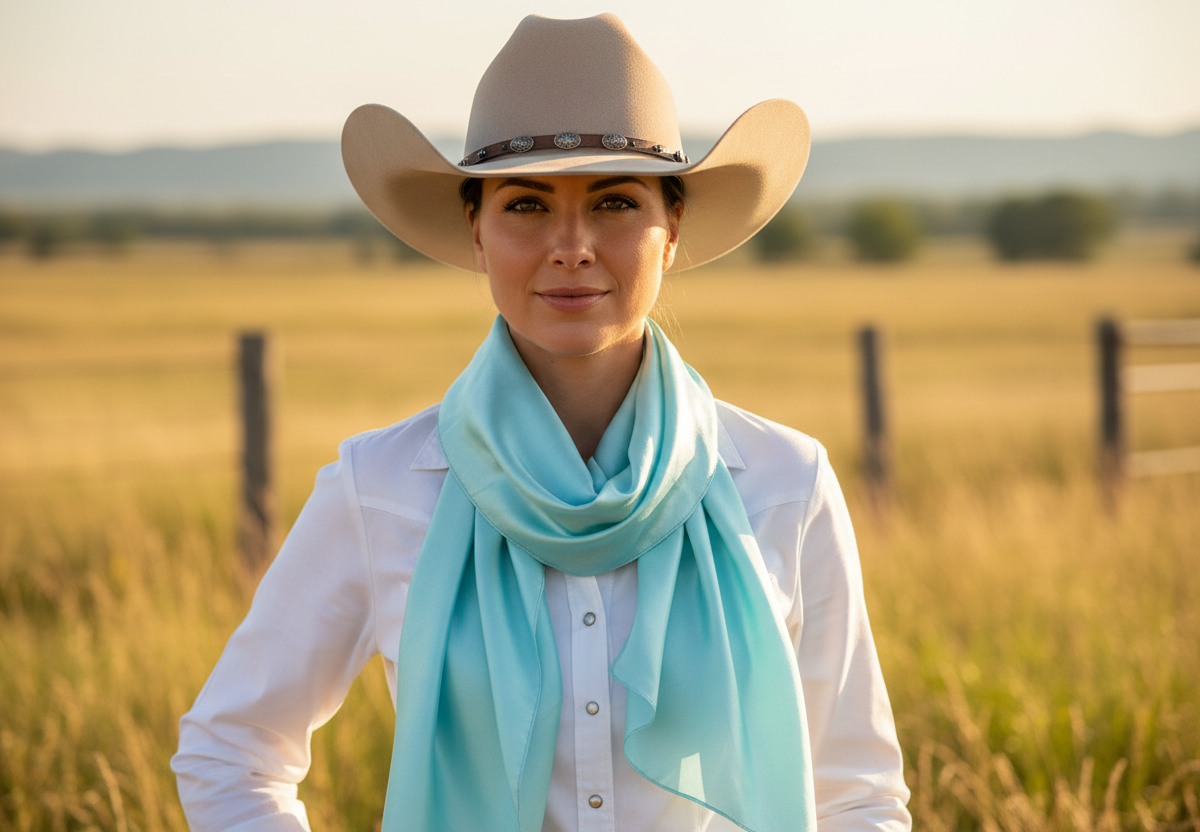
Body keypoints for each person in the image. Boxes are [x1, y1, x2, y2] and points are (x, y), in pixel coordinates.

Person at [172, 13, 910, 832]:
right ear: (477, 234)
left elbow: (857, 793)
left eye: (616, 202)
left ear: (674, 233)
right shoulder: (377, 489)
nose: (572, 246)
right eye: (526, 204)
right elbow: (229, 749)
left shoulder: (783, 482)